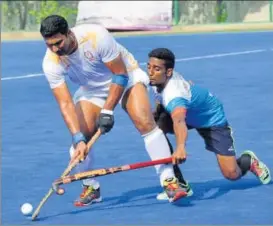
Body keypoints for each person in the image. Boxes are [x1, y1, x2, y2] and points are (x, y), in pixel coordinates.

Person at [40, 15, 187, 206]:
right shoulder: (51, 62)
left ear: (69, 33)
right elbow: (65, 103)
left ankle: (169, 181)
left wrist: (107, 111)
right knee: (80, 142)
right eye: (49, 45)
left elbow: (120, 75)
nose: (55, 49)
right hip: (91, 90)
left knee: (144, 122)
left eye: (58, 43)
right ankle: (91, 186)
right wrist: (77, 138)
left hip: (126, 78)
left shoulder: (95, 36)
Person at [147, 48, 271, 200]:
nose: (150, 72)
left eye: (156, 68)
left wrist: (180, 148)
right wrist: (157, 112)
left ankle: (248, 160)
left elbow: (179, 121)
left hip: (211, 119)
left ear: (169, 72)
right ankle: (179, 184)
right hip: (189, 112)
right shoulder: (157, 80)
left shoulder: (174, 95)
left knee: (232, 174)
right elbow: (160, 99)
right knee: (155, 131)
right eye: (149, 67)